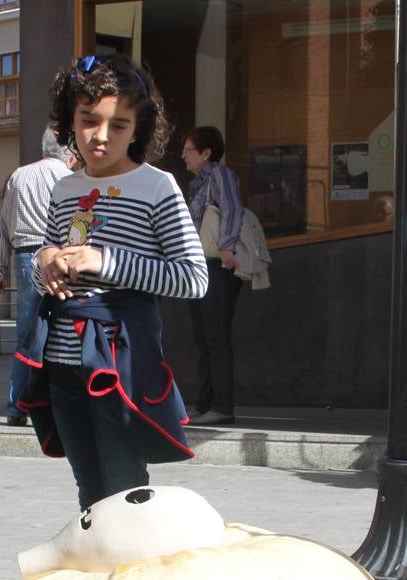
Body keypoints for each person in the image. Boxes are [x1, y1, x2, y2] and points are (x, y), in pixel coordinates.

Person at [17, 54, 207, 511]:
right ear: (70, 120)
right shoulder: (63, 187)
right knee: (89, 492)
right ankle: (97, 579)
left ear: (138, 128)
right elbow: (49, 253)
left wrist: (106, 262)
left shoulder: (156, 186)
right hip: (61, 365)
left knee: (124, 491)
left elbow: (193, 277)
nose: (101, 137)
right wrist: (44, 262)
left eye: (118, 125)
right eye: (88, 121)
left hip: (120, 365)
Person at [0, 127, 76, 427]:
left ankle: (17, 407)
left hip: (23, 257)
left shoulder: (18, 175)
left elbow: (3, 224)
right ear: (69, 151)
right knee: (61, 332)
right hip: (58, 257)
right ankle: (51, 402)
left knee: (26, 335)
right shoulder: (67, 178)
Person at [181, 126, 243, 426]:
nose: (183, 156)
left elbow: (232, 209)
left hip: (217, 265)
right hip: (199, 266)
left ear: (206, 153)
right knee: (202, 338)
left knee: (216, 337)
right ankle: (204, 402)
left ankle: (222, 405)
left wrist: (228, 246)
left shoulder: (220, 175)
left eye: (188, 150)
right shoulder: (196, 185)